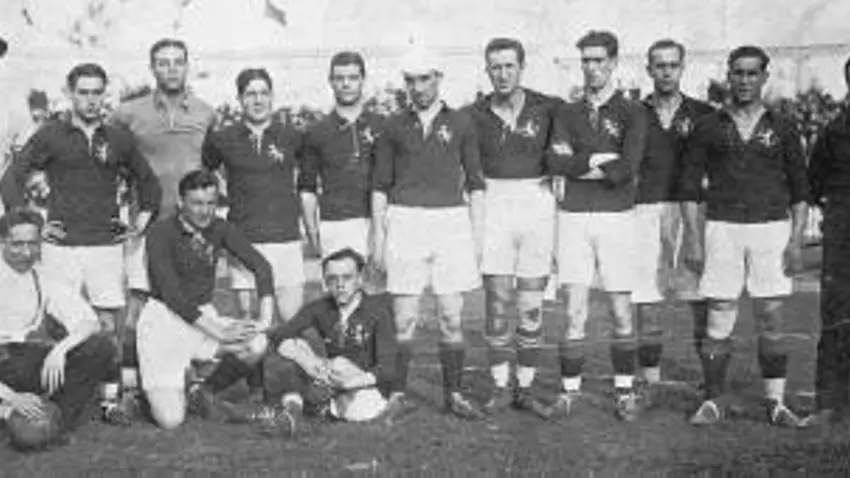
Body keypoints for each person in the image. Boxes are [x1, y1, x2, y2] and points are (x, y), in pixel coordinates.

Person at [0, 62, 161, 422]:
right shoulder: (50, 134)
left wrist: (139, 225)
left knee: (106, 324)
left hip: (105, 245)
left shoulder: (118, 137)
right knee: (61, 323)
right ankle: (62, 391)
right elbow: (12, 179)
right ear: (70, 94)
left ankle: (109, 400)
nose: (90, 99)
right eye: (83, 92)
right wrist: (35, 225)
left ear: (105, 94)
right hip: (60, 247)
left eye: (96, 92)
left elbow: (149, 182)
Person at [680, 46, 809, 427]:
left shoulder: (783, 126)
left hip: (771, 228)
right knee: (720, 312)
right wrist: (693, 239)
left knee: (771, 316)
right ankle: (712, 400)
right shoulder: (708, 126)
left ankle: (776, 403)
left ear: (764, 77)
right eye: (738, 72)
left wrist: (796, 241)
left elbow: (800, 190)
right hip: (722, 227)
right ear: (729, 76)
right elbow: (689, 189)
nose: (745, 80)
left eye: (753, 73)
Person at [371, 46, 487, 421]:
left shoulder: (462, 123)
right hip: (405, 221)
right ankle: (397, 394)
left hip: (450, 223)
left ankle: (454, 394)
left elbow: (476, 183)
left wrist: (478, 237)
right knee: (404, 318)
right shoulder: (392, 126)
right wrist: (378, 239)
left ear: (439, 78)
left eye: (424, 79)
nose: (417, 87)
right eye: (410, 80)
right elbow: (380, 186)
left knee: (451, 316)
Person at [546, 30, 648, 422]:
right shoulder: (567, 112)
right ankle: (568, 392)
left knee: (621, 310)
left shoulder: (633, 111)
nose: (592, 67)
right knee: (574, 310)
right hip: (573, 217)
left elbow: (627, 169)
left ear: (613, 63)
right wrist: (599, 160)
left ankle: (624, 391)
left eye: (599, 60)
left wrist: (580, 163)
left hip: (616, 216)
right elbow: (556, 162)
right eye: (586, 60)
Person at [464, 37, 564, 418]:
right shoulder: (473, 114)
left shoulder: (549, 108)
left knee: (530, 305)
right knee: (497, 301)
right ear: (486, 70)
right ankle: (500, 387)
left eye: (509, 66)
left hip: (537, 203)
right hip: (494, 204)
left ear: (522, 67)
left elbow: (568, 151)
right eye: (496, 67)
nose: (503, 74)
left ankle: (525, 387)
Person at [111, 38, 216, 388]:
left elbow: (210, 168)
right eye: (163, 62)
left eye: (177, 62)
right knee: (139, 304)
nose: (171, 69)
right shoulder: (128, 113)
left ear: (187, 66)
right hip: (145, 224)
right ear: (152, 67)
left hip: (192, 226)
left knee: (191, 302)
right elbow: (108, 157)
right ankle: (130, 386)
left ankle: (190, 384)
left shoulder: (205, 112)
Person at [138, 169, 273, 429]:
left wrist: (265, 320)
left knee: (257, 342)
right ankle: (143, 385)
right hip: (165, 321)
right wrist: (221, 333)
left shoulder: (219, 227)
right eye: (197, 203)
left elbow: (261, 266)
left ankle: (201, 390)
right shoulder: (159, 233)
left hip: (202, 317)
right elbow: (174, 298)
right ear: (181, 202)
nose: (205, 211)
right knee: (170, 420)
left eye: (211, 203)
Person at [202, 68, 306, 403]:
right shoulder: (224, 138)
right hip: (244, 241)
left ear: (272, 96)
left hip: (286, 237)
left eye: (263, 93)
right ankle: (258, 393)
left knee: (291, 321)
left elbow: (306, 179)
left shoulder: (292, 136)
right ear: (240, 98)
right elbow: (206, 173)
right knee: (249, 323)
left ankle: (296, 391)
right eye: (250, 93)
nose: (258, 100)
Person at [0, 208, 123, 450]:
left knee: (100, 347)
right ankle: (10, 413)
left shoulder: (41, 277)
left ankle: (54, 419)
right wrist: (10, 397)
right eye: (17, 244)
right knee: (25, 430)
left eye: (33, 244)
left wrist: (60, 350)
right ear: (1, 241)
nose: (26, 252)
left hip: (21, 359)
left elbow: (88, 321)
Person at [633, 39, 714, 389]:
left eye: (672, 65)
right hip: (645, 211)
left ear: (682, 68)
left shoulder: (704, 114)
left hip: (691, 212)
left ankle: (710, 386)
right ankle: (650, 384)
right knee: (647, 301)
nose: (666, 71)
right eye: (659, 65)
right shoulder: (634, 113)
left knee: (700, 301)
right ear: (649, 69)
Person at [264, 248, 398, 434]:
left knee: (339, 365)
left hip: (363, 385)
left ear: (360, 278)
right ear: (325, 282)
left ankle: (303, 408)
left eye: (347, 277)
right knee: (291, 346)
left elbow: (388, 368)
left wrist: (348, 383)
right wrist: (307, 360)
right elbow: (279, 334)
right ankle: (293, 414)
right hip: (328, 379)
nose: (340, 285)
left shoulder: (378, 311)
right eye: (333, 279)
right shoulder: (320, 307)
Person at [299, 51, 384, 260]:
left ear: (363, 80)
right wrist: (313, 236)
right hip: (335, 225)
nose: (346, 84)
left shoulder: (383, 125)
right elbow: (307, 190)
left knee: (381, 283)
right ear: (330, 81)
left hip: (379, 224)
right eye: (339, 78)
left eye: (353, 78)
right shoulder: (316, 131)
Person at [804, 55, 850, 427]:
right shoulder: (834, 132)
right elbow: (814, 183)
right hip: (842, 233)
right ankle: (829, 402)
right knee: (836, 316)